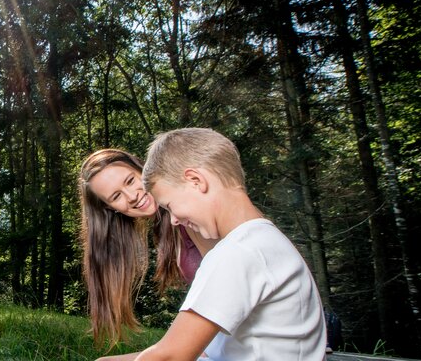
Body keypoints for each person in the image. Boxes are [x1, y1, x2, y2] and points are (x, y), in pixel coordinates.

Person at [98, 128, 327, 360]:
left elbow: (170, 357)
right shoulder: (261, 239)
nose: (174, 219)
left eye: (169, 205)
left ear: (196, 181)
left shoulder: (237, 253)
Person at [78, 149, 218, 348]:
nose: (132, 196)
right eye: (116, 196)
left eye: (130, 181)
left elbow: (228, 283)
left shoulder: (187, 211)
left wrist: (177, 348)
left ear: (141, 168)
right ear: (110, 208)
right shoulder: (166, 227)